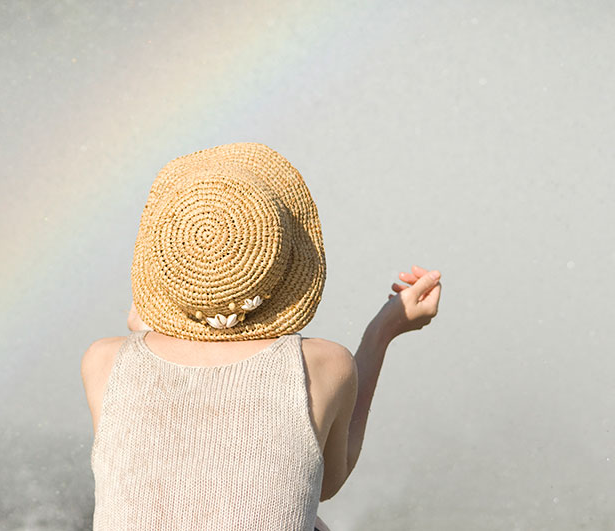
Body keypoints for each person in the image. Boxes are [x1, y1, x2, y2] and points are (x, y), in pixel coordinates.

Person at [81, 142, 442, 530]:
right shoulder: (320, 364)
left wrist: (154, 325)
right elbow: (324, 484)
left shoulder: (104, 361)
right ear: (281, 257)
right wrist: (383, 331)